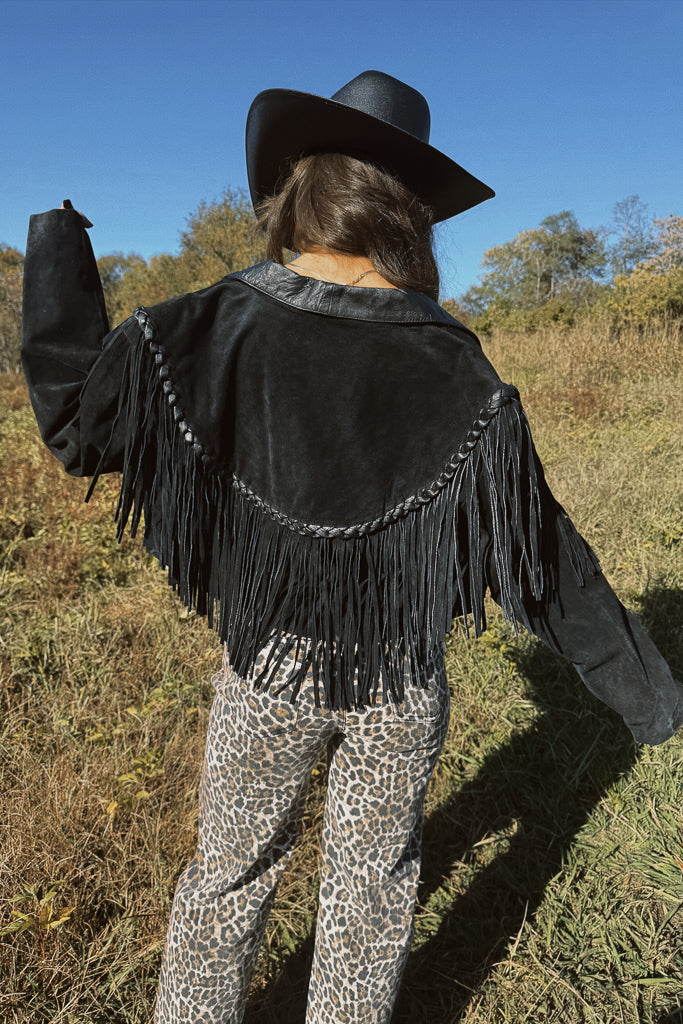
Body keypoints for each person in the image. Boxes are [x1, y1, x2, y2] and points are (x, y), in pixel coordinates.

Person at [22, 71, 682, 1024]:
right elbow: (538, 554)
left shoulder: (205, 325)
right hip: (399, 673)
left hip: (266, 663)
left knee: (226, 878)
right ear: (406, 215)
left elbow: (76, 425)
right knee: (371, 889)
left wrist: (58, 254)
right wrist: (644, 693)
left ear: (301, 190)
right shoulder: (454, 360)